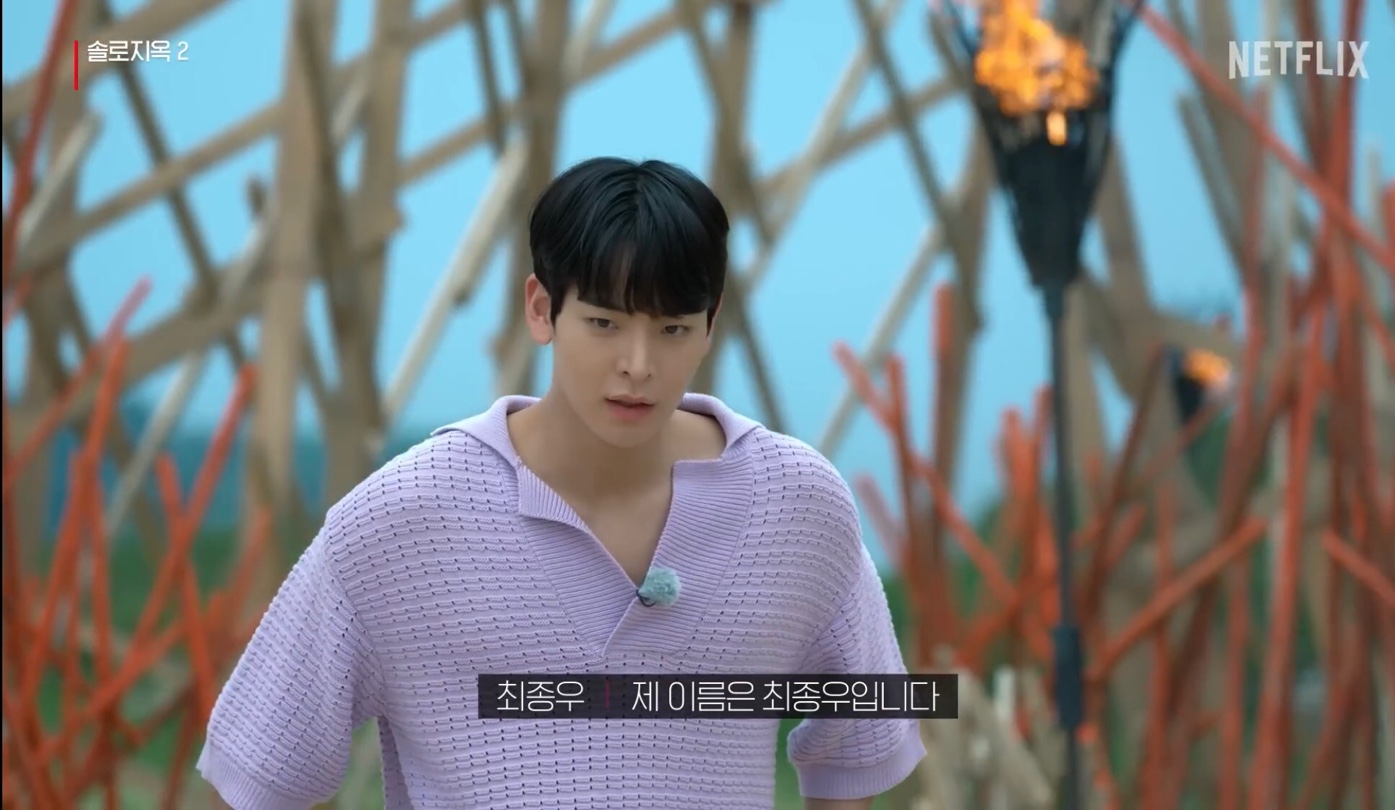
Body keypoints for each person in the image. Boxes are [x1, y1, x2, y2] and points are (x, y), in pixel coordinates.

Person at [198, 157, 925, 809]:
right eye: (604, 323)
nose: (638, 364)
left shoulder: (798, 507)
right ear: (542, 309)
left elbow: (859, 741)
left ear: (710, 325)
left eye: (672, 329)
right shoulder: (400, 522)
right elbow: (265, 769)